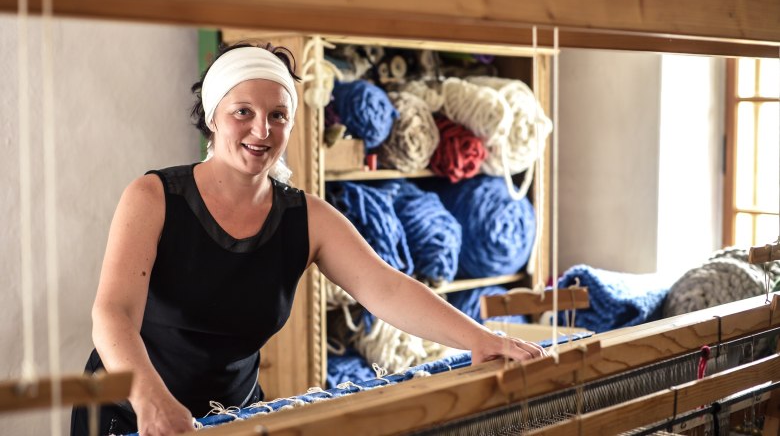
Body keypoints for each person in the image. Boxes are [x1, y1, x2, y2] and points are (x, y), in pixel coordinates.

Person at [71, 42, 546, 436]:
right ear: (214, 116)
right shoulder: (153, 197)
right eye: (244, 112)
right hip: (127, 412)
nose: (262, 129)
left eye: (278, 115)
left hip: (232, 418)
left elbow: (386, 288)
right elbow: (112, 314)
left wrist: (480, 340)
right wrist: (151, 403)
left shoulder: (307, 217)